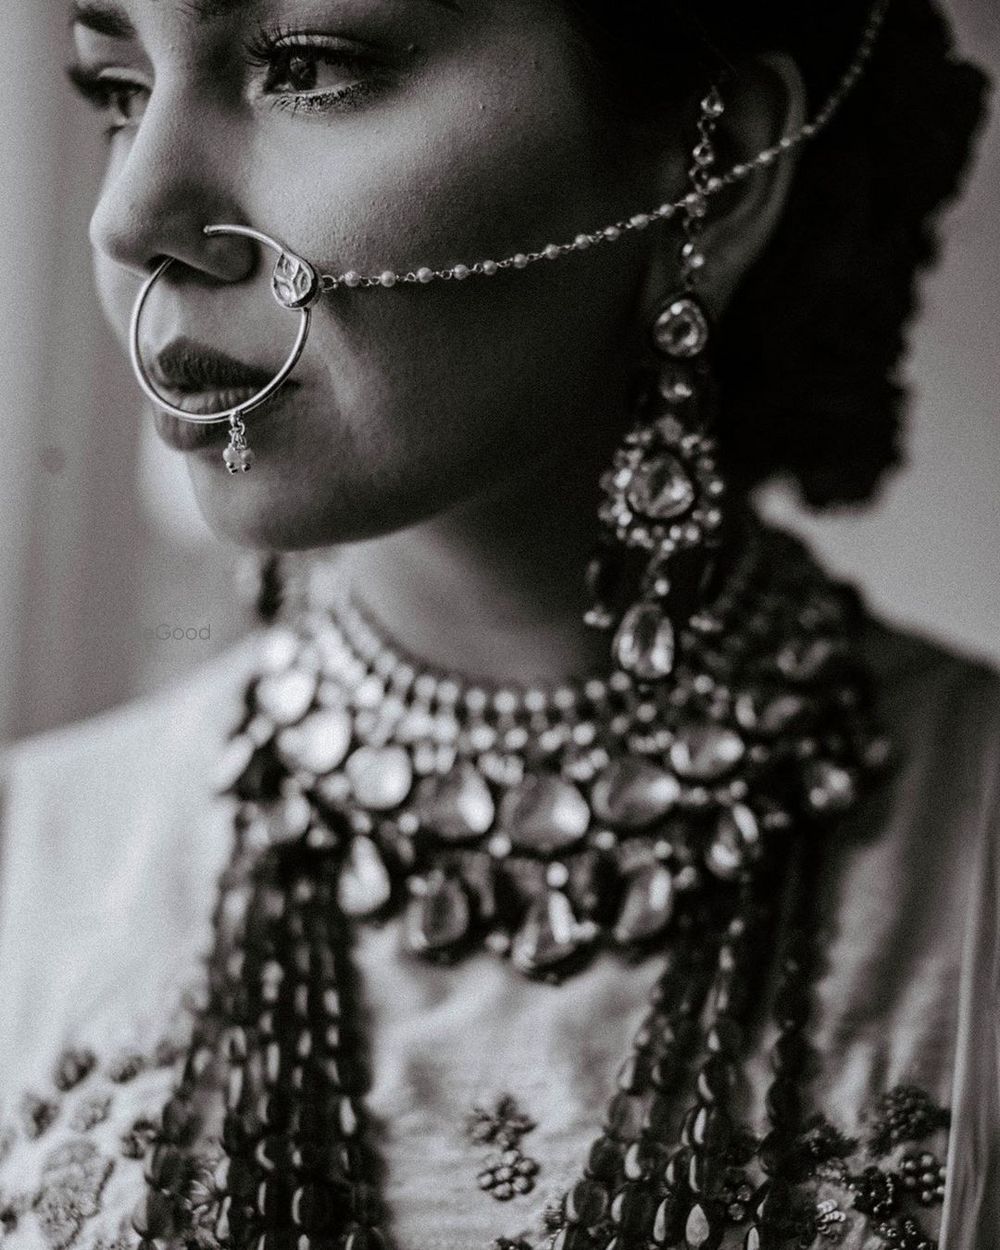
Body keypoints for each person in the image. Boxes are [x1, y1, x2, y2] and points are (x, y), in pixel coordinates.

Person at [0, 1, 995, 1249]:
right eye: (118, 91)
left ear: (715, 156)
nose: (129, 217)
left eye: (305, 67)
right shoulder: (29, 867)